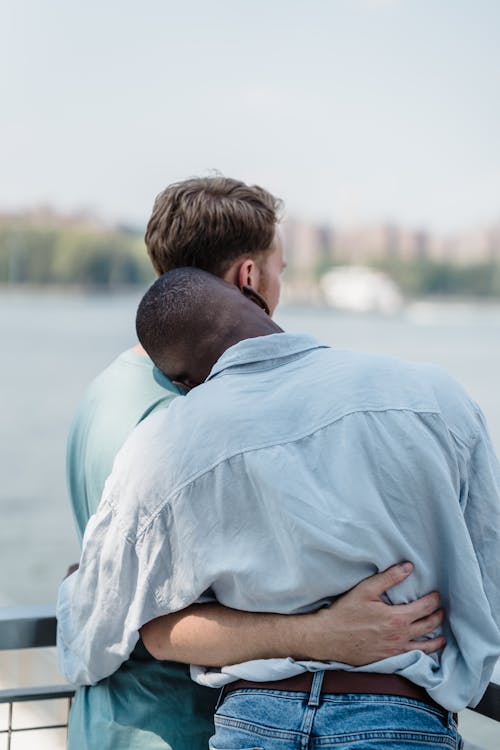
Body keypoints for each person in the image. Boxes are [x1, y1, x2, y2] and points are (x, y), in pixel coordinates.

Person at [65, 177, 446, 750]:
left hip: (113, 720)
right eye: (281, 269)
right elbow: (152, 623)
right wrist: (327, 634)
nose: (280, 285)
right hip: (175, 728)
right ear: (250, 278)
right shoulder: (178, 425)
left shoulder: (106, 394)